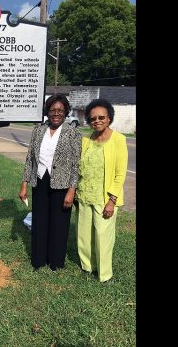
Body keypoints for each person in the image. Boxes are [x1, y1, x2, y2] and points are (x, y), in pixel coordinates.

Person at [19, 94, 82, 271]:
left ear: (66, 112)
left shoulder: (73, 133)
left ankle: (56, 262)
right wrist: (24, 183)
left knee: (59, 223)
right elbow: (30, 159)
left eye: (60, 110)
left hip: (62, 184)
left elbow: (76, 164)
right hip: (40, 181)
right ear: (47, 112)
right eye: (53, 110)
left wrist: (72, 190)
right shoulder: (38, 130)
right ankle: (38, 260)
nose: (56, 113)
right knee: (40, 221)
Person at [76, 98, 128, 282]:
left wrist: (111, 201)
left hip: (104, 198)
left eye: (101, 117)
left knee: (103, 236)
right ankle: (87, 266)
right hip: (84, 194)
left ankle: (104, 274)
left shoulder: (118, 140)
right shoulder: (87, 140)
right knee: (83, 234)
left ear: (109, 118)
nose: (97, 121)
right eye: (92, 119)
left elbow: (120, 174)